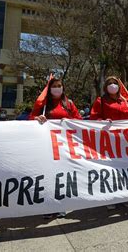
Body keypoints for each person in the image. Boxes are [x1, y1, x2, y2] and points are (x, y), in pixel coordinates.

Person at [30, 77, 82, 218]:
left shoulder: (68, 103)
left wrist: (69, 121)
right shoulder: (43, 104)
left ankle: (60, 205)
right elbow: (31, 118)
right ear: (49, 89)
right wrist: (37, 119)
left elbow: (79, 120)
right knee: (48, 175)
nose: (57, 88)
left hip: (64, 145)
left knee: (61, 175)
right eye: (54, 86)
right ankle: (47, 206)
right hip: (46, 145)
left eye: (60, 86)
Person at [90, 76, 128, 209]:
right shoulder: (100, 101)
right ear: (105, 87)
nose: (112, 85)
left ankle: (126, 195)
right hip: (109, 141)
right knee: (110, 169)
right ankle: (111, 198)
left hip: (125, 141)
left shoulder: (126, 101)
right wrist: (102, 121)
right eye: (110, 83)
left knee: (126, 168)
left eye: (115, 83)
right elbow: (94, 118)